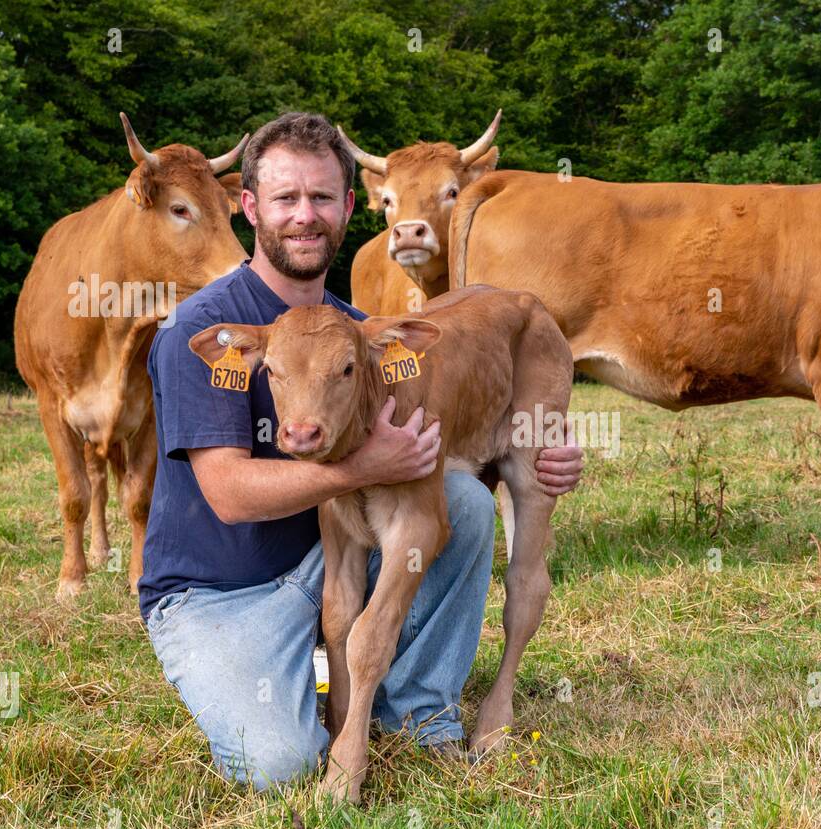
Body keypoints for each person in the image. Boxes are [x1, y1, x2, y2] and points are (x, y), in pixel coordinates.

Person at [137, 112, 583, 791]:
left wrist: (525, 446)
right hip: (221, 592)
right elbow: (226, 493)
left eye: (321, 198)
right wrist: (363, 467)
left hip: (326, 554)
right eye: (286, 198)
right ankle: (316, 684)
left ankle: (416, 713)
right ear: (250, 207)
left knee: (458, 498)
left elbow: (436, 411)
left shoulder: (355, 333)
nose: (305, 216)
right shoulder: (203, 331)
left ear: (350, 208)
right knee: (281, 764)